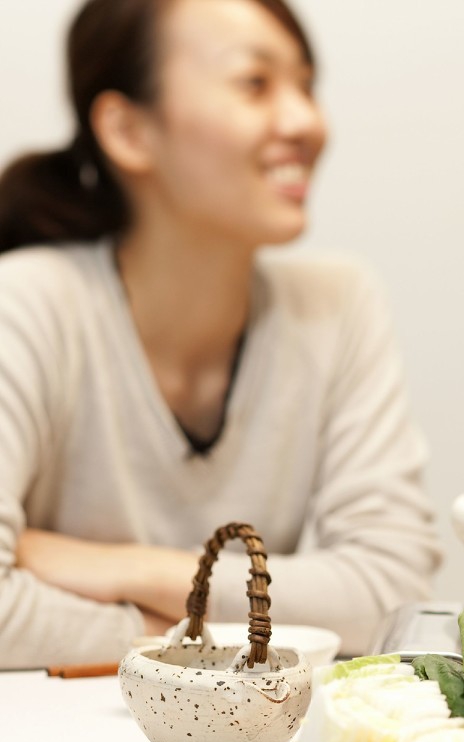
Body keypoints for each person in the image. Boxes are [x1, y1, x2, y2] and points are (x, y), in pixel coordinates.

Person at [0, 0, 441, 667]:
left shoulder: (338, 305)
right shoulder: (26, 303)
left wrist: (124, 570)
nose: (307, 121)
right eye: (255, 84)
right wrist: (189, 631)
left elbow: (390, 595)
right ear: (127, 131)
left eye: (306, 84)